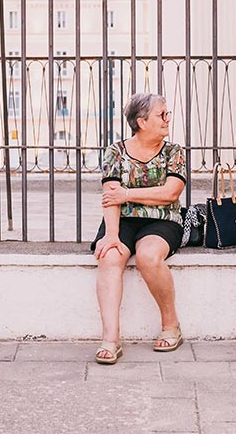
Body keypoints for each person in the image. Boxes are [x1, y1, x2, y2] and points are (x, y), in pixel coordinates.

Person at [92, 93, 187, 365]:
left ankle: (171, 325)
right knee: (110, 256)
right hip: (122, 220)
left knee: (148, 256)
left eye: (167, 114)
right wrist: (111, 236)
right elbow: (111, 196)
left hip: (163, 218)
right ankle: (110, 339)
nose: (167, 119)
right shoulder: (115, 152)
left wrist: (128, 195)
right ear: (142, 122)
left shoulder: (174, 152)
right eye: (162, 115)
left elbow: (171, 193)